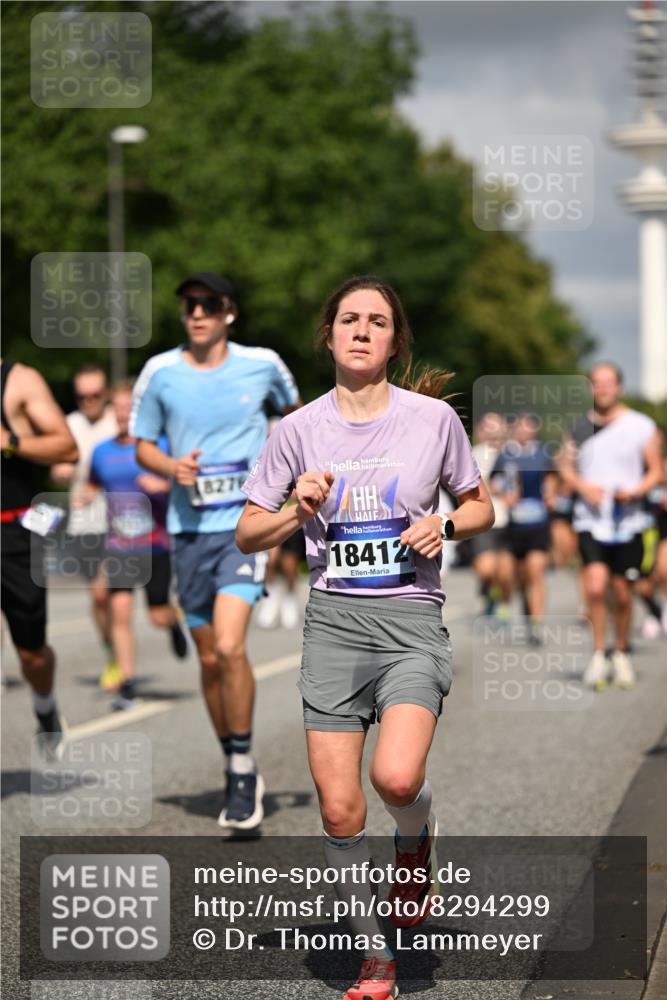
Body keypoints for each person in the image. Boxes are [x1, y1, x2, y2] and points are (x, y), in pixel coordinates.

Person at [237, 275, 494, 1000]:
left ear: (393, 340)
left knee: (397, 779)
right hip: (333, 625)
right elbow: (246, 532)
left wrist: (442, 523)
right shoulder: (296, 430)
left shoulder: (431, 420)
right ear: (327, 336)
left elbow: (481, 508)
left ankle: (414, 843)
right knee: (341, 808)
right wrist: (296, 507)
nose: (359, 330)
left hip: (410, 617)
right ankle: (374, 958)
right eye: (347, 319)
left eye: (376, 321)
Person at [131, 271, 300, 828]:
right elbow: (142, 447)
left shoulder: (263, 364)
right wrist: (170, 466)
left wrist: (286, 482)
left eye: (207, 304)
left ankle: (246, 766)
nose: (196, 313)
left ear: (229, 312)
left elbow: (298, 421)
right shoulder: (160, 373)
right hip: (187, 531)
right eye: (188, 306)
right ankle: (232, 759)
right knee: (207, 657)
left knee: (229, 646)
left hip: (243, 527)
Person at [83, 381, 189, 711]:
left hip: (155, 544)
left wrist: (164, 484)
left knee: (156, 616)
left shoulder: (157, 446)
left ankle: (172, 623)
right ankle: (127, 684)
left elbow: (185, 483)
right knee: (120, 611)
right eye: (115, 408)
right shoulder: (102, 451)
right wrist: (82, 496)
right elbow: (92, 483)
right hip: (119, 546)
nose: (120, 414)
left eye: (127, 408)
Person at [558, 362, 663, 689]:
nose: (602, 389)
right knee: (594, 587)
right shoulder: (578, 427)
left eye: (608, 383)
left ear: (619, 387)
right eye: (596, 383)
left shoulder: (641, 425)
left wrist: (635, 492)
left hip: (629, 522)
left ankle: (620, 652)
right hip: (591, 521)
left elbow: (657, 471)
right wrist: (583, 487)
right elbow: (564, 467)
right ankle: (599, 652)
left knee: (621, 591)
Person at [1, 360, 78, 757]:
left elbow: (67, 446)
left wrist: (10, 441)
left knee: (31, 653)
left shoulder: (18, 380)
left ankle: (45, 707)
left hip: (13, 532)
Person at [51, 363, 119, 689]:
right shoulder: (68, 423)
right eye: (82, 396)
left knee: (114, 592)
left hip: (122, 520)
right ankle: (113, 654)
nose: (89, 401)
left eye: (95, 395)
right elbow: (57, 463)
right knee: (100, 597)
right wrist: (61, 472)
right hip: (84, 523)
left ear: (105, 393)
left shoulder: (117, 421)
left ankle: (166, 613)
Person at [490, 414, 558, 643]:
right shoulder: (505, 455)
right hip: (513, 525)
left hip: (538, 523)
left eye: (528, 427)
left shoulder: (543, 454)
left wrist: (550, 493)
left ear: (534, 430)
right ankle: (505, 605)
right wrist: (504, 495)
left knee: (535, 572)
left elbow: (552, 479)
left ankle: (536, 624)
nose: (524, 431)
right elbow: (493, 482)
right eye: (520, 427)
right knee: (508, 575)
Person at [469, 413, 513, 619]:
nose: (494, 432)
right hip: (484, 520)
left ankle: (502, 604)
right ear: (481, 430)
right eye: (489, 427)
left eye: (498, 427)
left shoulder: (514, 453)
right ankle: (487, 591)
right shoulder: (474, 454)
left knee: (505, 573)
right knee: (487, 569)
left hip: (511, 521)